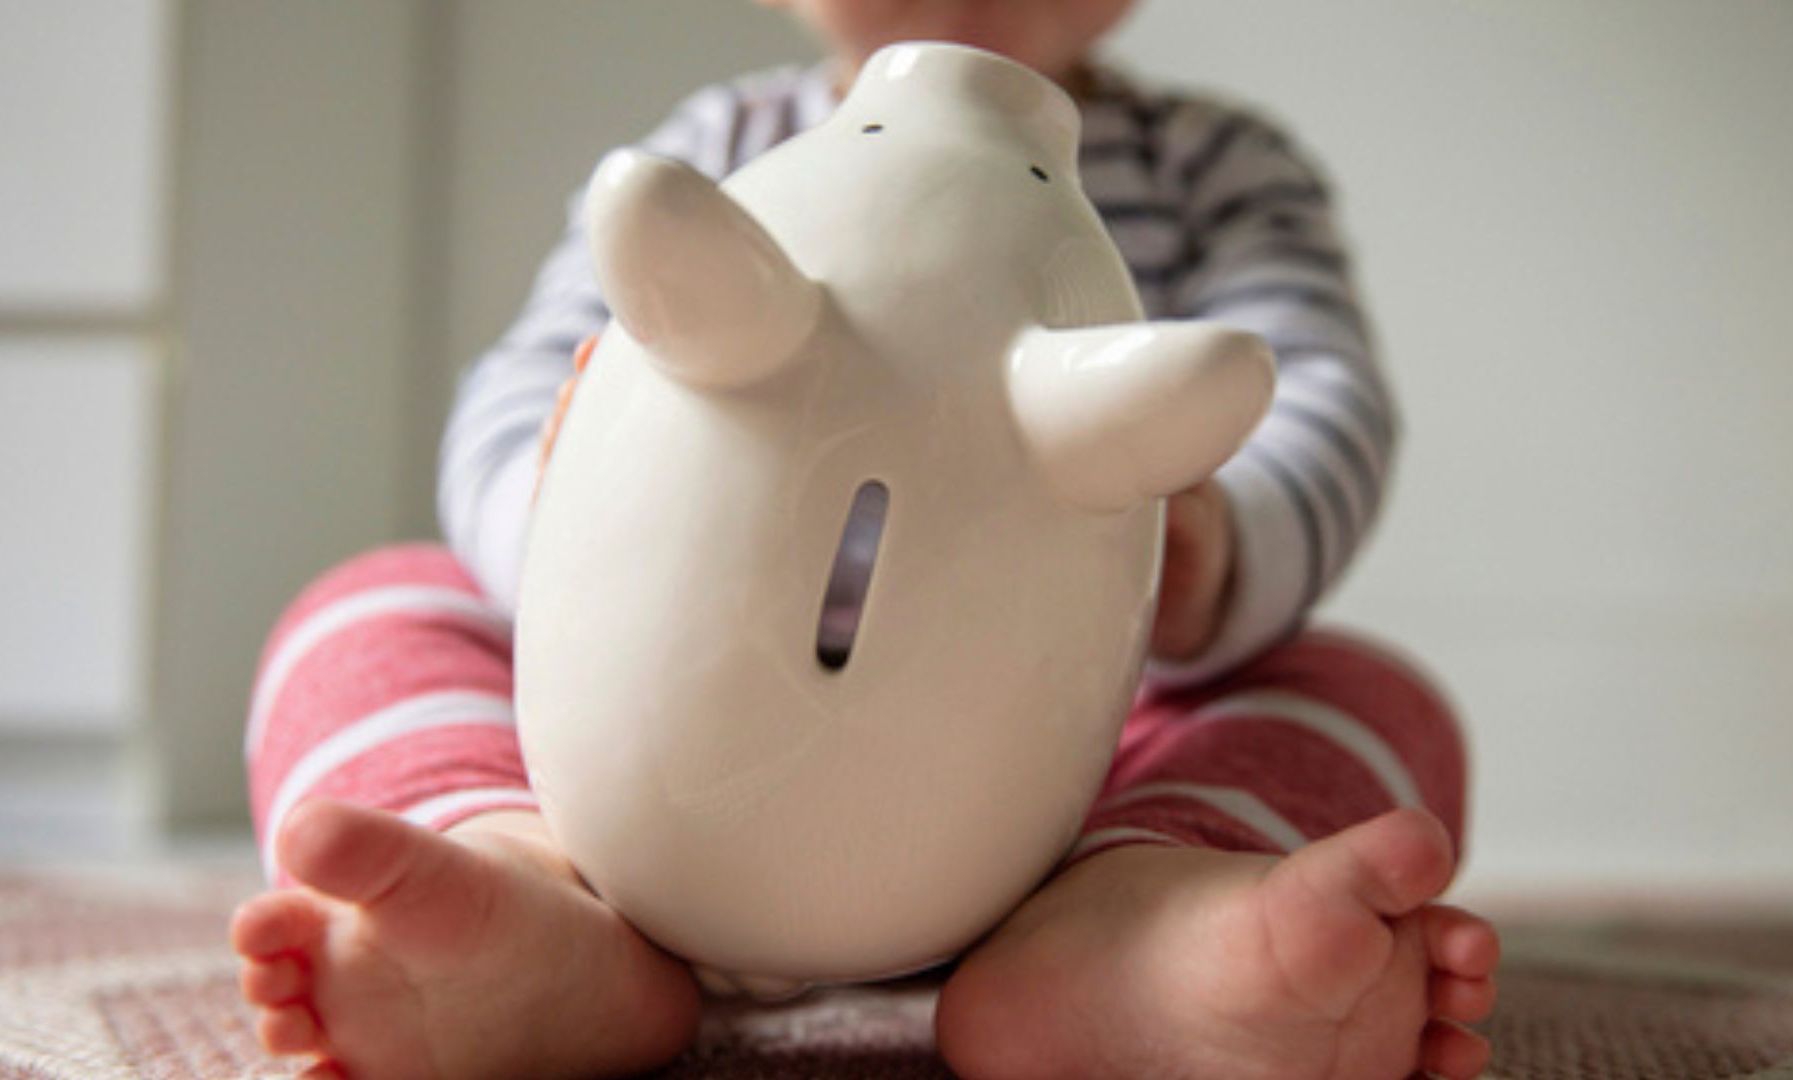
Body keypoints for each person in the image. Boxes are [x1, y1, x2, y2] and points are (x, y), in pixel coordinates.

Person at [229, 2, 1502, 1077]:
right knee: (373, 607)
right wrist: (570, 494)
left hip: (1073, 782)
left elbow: (1320, 394)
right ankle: (517, 889)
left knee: (1361, 691)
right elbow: (513, 396)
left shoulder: (1215, 168)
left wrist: (1214, 541)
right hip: (636, 788)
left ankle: (1139, 935)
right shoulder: (723, 146)